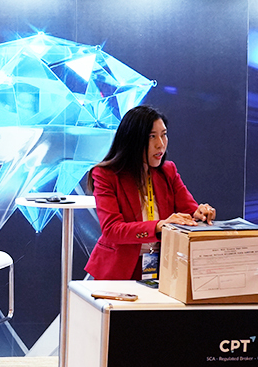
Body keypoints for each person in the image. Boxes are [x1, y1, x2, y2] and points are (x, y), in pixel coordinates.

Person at [84, 105, 216, 281]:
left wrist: (200, 213)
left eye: (164, 135)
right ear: (132, 140)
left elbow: (189, 211)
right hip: (119, 270)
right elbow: (112, 230)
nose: (160, 144)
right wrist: (158, 226)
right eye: (152, 136)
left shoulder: (168, 170)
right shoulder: (105, 175)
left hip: (164, 268)